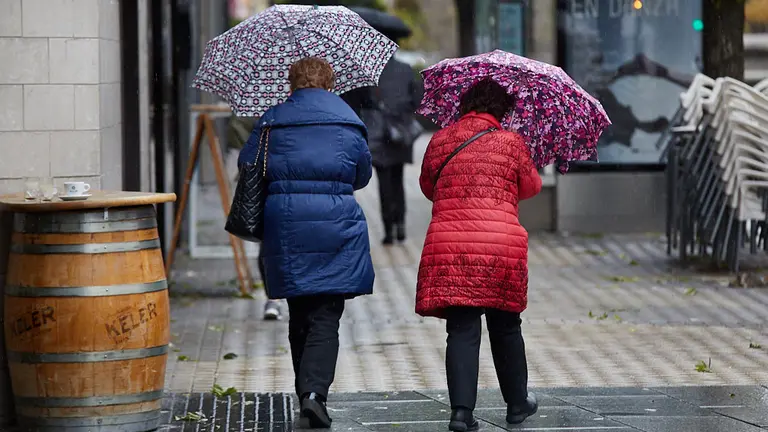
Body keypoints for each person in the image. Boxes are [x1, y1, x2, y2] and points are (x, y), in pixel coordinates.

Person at [237, 57, 375, 428]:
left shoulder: (271, 121)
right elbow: (361, 175)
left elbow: (249, 165)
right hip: (337, 223)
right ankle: (315, 394)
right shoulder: (349, 121)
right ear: (330, 84)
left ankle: (305, 395)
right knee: (327, 312)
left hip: (286, 223)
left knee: (300, 310)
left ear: (292, 84)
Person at [416, 79, 542, 431]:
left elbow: (428, 186)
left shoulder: (440, 140)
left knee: (461, 329)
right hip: (501, 246)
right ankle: (517, 404)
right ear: (502, 110)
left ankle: (461, 413)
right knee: (505, 326)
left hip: (451, 245)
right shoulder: (511, 142)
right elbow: (531, 187)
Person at [342, 56, 423, 244]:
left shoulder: (368, 72)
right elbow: (416, 100)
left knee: (384, 182)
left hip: (378, 132)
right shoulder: (406, 69)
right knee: (398, 179)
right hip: (401, 132)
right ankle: (400, 223)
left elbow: (362, 103)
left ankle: (388, 229)